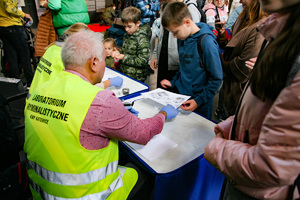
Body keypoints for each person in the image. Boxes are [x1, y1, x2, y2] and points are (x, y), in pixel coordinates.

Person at [24, 30, 179, 199]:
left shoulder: (39, 90)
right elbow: (143, 133)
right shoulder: (99, 101)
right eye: (105, 60)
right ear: (94, 63)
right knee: (146, 174)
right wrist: (163, 113)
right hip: (85, 195)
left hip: (41, 191)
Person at [204, 0, 300, 199]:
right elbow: (265, 110)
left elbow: (272, 166)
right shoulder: (278, 34)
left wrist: (216, 148)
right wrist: (233, 125)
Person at [160, 2, 223, 119]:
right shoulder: (182, 39)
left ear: (187, 22)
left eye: (175, 32)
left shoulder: (207, 43)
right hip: (182, 97)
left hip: (201, 103)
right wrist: (173, 82)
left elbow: (216, 79)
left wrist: (198, 101)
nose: (174, 36)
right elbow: (183, 66)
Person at [29, 23, 122, 96]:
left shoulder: (52, 48)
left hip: (33, 100)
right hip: (48, 105)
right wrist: (108, 83)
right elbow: (82, 90)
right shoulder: (68, 58)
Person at [215, 0, 267, 120]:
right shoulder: (242, 17)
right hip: (232, 94)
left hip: (242, 97)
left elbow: (243, 67)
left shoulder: (260, 27)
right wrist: (222, 35)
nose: (240, 0)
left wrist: (222, 60)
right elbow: (232, 44)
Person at [112, 7, 152, 82]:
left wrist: (123, 57)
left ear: (138, 23)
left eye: (129, 26)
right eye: (125, 26)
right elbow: (128, 52)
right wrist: (119, 54)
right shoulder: (127, 35)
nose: (126, 29)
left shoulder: (142, 39)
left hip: (137, 77)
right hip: (126, 73)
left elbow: (142, 61)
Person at [0, 0, 34, 86]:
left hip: (3, 26)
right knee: (25, 55)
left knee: (12, 56)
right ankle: (31, 83)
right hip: (14, 26)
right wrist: (24, 14)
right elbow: (9, 8)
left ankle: (16, 84)